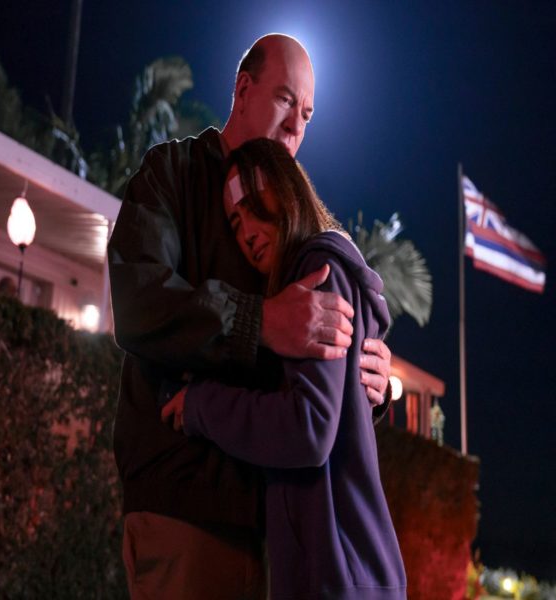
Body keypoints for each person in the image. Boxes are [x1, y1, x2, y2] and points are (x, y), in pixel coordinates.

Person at [108, 33, 392, 599]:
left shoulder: (303, 237)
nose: (295, 127)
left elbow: (308, 403)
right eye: (286, 100)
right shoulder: (174, 172)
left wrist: (369, 383)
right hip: (190, 507)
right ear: (242, 90)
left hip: (278, 524)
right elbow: (139, 301)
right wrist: (258, 321)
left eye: (307, 115)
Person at [163, 138, 406, 599]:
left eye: (254, 206)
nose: (247, 232)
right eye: (235, 222)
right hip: (350, 569)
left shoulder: (316, 270)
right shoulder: (322, 273)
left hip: (335, 573)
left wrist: (201, 406)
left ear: (287, 189)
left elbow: (307, 428)